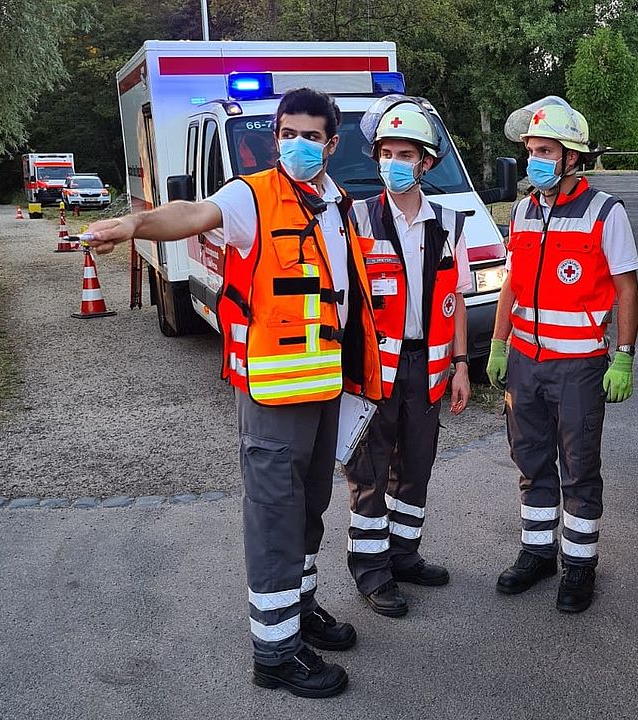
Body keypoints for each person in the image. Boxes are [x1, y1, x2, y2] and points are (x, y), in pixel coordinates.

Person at [84, 88, 382, 698]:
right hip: (272, 393)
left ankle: (299, 608)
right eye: (288, 134)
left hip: (322, 386)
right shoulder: (253, 196)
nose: (298, 145)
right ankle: (275, 652)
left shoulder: (336, 203)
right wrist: (137, 223)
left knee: (309, 508)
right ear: (277, 138)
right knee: (274, 517)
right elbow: (194, 214)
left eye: (311, 136)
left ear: (331, 144)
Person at [487, 96, 638, 613]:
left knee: (578, 467)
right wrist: (498, 343)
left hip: (578, 365)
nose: (534, 160)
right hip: (525, 363)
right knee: (530, 460)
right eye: (531, 151)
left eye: (545, 151)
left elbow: (627, 287)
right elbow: (511, 281)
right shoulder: (524, 209)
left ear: (572, 157)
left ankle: (578, 565)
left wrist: (625, 355)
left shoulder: (605, 211)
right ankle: (537, 552)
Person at [343, 96, 472, 617]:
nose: (393, 163)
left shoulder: (450, 223)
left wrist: (461, 365)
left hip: (427, 369)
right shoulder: (356, 219)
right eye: (386, 153)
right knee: (370, 473)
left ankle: (404, 555)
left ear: (426, 162)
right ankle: (372, 572)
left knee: (416, 468)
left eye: (405, 154)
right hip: (374, 371)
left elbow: (456, 299)